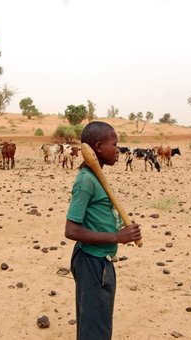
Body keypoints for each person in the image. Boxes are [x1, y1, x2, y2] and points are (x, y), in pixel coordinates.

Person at [65, 121, 142, 340]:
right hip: (91, 262)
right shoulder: (86, 181)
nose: (118, 149)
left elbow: (97, 216)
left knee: (98, 322)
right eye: (115, 144)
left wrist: (121, 228)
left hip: (101, 261)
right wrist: (117, 237)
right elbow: (71, 229)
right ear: (98, 147)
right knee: (94, 329)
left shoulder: (97, 177)